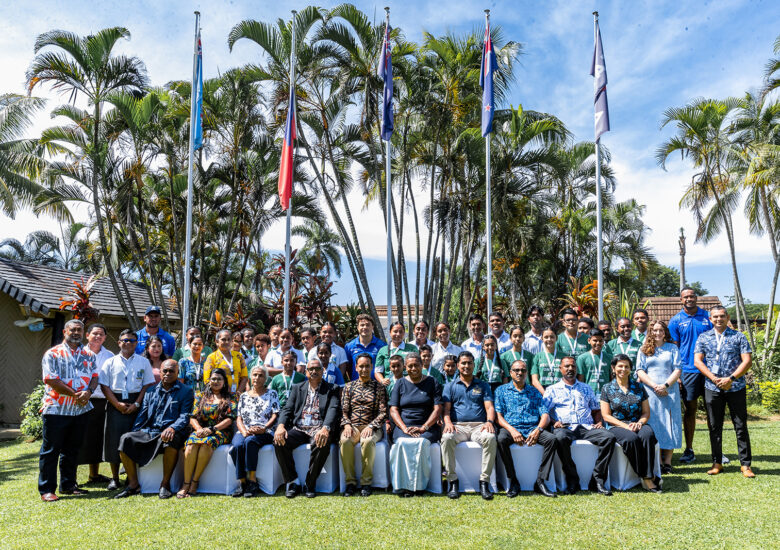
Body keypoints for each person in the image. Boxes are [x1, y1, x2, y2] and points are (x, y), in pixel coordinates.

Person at [114, 360, 194, 499]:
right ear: (160, 372)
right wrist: (135, 432)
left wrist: (172, 428)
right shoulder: (151, 391)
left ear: (178, 373)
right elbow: (142, 415)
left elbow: (184, 416)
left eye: (171, 371)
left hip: (172, 431)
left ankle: (165, 484)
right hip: (151, 431)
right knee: (125, 439)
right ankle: (133, 484)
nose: (168, 374)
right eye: (165, 371)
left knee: (170, 439)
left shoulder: (186, 391)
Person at [38, 319, 99, 502]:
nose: (76, 333)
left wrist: (88, 392)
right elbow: (51, 379)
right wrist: (75, 394)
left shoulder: (89, 355)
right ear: (65, 331)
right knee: (51, 451)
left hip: (80, 410)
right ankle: (47, 489)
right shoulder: (53, 354)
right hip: (57, 409)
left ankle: (69, 485)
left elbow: (95, 377)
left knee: (72, 450)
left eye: (79, 330)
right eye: (72, 329)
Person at [694, 306, 754, 477]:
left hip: (735, 387)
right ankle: (717, 462)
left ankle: (745, 465)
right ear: (710, 319)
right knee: (714, 426)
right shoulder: (704, 337)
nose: (719, 319)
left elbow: (747, 361)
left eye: (722, 316)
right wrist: (714, 379)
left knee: (740, 426)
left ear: (727, 317)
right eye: (715, 317)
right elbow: (698, 361)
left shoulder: (739, 336)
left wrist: (731, 379)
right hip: (712, 387)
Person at [543, 356, 617, 496]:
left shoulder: (586, 388)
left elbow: (595, 409)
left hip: (586, 427)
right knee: (560, 438)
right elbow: (544, 412)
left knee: (609, 437)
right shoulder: (552, 389)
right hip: (565, 427)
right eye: (567, 366)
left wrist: (599, 422)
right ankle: (572, 479)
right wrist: (554, 422)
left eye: (573, 366)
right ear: (560, 369)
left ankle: (597, 480)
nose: (570, 369)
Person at [274, 358, 341, 498]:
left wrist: (325, 428)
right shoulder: (298, 387)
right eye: (311, 369)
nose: (314, 371)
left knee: (322, 442)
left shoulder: (332, 388)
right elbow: (287, 409)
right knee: (279, 440)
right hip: (300, 428)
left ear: (323, 371)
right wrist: (280, 426)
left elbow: (333, 410)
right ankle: (292, 481)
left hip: (319, 428)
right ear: (306, 372)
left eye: (317, 368)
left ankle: (310, 483)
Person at [99, 329, 156, 490]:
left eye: (132, 341)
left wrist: (137, 404)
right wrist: (116, 404)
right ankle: (115, 478)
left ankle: (133, 477)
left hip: (136, 401)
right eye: (125, 340)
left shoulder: (143, 362)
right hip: (115, 401)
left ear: (136, 344)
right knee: (113, 440)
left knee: (134, 439)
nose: (128, 343)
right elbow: (104, 385)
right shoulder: (110, 362)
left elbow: (147, 385)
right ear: (119, 342)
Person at [494, 359, 557, 498]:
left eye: (523, 370)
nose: (520, 373)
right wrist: (512, 430)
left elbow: (545, 415)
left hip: (532, 428)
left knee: (552, 439)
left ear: (527, 373)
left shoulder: (534, 392)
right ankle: (513, 480)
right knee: (501, 439)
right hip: (511, 427)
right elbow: (498, 416)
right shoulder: (501, 390)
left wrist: (538, 430)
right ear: (510, 373)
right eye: (516, 370)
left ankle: (540, 481)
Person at [441, 351, 497, 500]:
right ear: (458, 365)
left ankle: (484, 481)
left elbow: (490, 407)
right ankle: (452, 481)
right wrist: (447, 423)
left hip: (479, 425)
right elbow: (445, 410)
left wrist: (489, 422)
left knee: (490, 438)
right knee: (446, 438)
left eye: (469, 363)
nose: (466, 366)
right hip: (458, 426)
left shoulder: (483, 385)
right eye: (463, 363)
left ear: (473, 365)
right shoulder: (450, 386)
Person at [600, 355, 660, 492]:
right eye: (620, 366)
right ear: (613, 368)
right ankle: (647, 477)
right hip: (616, 426)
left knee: (648, 435)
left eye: (626, 366)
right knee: (631, 439)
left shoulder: (639, 387)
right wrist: (626, 426)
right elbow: (606, 416)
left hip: (638, 423)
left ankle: (648, 475)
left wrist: (639, 423)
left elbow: (646, 413)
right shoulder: (607, 388)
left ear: (630, 369)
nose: (623, 369)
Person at [668, 286, 713, 464]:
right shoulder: (675, 321)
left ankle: (717, 451)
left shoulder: (708, 316)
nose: (689, 299)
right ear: (681, 300)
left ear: (696, 298)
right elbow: (674, 349)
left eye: (692, 296)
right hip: (688, 371)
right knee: (690, 410)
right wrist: (677, 374)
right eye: (685, 297)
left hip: (709, 371)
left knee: (713, 411)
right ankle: (689, 449)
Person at [388, 352, 442, 497]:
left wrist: (424, 427)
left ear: (421, 365)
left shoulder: (432, 382)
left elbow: (437, 409)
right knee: (401, 443)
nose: (413, 369)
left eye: (416, 365)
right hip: (404, 426)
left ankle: (419, 486)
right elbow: (393, 409)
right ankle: (403, 485)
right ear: (405, 367)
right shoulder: (399, 383)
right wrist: (404, 428)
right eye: (410, 366)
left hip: (427, 426)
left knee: (421, 443)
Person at [179, 368, 236, 497]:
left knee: (206, 444)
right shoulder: (200, 396)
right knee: (191, 444)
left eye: (219, 379)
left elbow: (230, 419)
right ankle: (186, 483)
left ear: (224, 381)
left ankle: (195, 482)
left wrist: (212, 429)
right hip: (201, 429)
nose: (216, 381)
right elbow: (192, 417)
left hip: (220, 431)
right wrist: (199, 429)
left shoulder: (230, 397)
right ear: (209, 381)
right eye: (213, 379)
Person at [636, 321, 682, 474]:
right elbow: (640, 370)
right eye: (654, 330)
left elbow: (677, 369)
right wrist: (655, 385)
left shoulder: (672, 348)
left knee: (670, 424)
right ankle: (657, 461)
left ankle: (667, 462)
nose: (657, 333)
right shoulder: (644, 349)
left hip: (670, 391)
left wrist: (665, 385)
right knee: (655, 424)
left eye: (660, 330)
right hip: (651, 392)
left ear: (665, 332)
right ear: (650, 332)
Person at [340, 354, 388, 497]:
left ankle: (366, 483)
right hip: (353, 426)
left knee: (367, 441)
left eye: (367, 366)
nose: (364, 369)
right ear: (356, 367)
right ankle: (350, 482)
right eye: (361, 366)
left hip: (372, 427)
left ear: (372, 367)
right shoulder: (349, 387)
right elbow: (343, 410)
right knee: (345, 441)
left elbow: (383, 412)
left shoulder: (379, 388)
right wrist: (347, 425)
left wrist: (371, 426)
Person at [230, 366, 279, 497]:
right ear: (251, 377)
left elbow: (275, 415)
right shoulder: (244, 396)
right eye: (255, 375)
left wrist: (264, 428)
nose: (257, 378)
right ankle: (242, 482)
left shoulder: (272, 393)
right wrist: (245, 432)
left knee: (250, 442)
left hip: (265, 431)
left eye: (261, 375)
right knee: (237, 446)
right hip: (245, 430)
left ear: (266, 378)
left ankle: (252, 481)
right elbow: (239, 418)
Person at [78, 323, 114, 486]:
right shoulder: (79, 353)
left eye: (101, 334)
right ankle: (71, 478)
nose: (98, 337)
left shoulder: (109, 355)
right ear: (87, 335)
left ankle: (94, 475)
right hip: (81, 400)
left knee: (97, 438)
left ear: (105, 338)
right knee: (79, 438)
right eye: (95, 334)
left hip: (102, 401)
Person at [203, 329, 248, 394]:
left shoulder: (239, 356)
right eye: (223, 339)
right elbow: (207, 380)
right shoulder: (212, 357)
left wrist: (238, 392)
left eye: (229, 339)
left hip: (237, 395)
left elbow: (244, 377)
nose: (226, 342)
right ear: (217, 342)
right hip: (219, 395)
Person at [375, 322, 418, 386]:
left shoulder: (412, 348)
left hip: (408, 385)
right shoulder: (383, 350)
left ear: (404, 333)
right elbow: (378, 371)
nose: (398, 334)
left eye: (401, 332)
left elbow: (418, 367)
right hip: (389, 386)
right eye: (395, 331)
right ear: (390, 332)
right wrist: (382, 380)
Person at [344, 314, 386, 381]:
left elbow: (384, 367)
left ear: (372, 327)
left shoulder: (382, 346)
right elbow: (348, 368)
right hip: (356, 386)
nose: (365, 327)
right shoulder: (349, 346)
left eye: (368, 325)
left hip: (376, 386)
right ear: (358, 327)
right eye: (362, 325)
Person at [577, 329, 613, 394]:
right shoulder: (582, 358)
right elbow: (580, 379)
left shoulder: (609, 358)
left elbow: (612, 378)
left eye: (600, 341)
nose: (598, 343)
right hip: (588, 393)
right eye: (595, 340)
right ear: (589, 341)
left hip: (606, 394)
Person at [530, 328, 561, 393]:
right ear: (542, 339)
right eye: (546, 337)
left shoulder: (564, 356)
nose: (549, 339)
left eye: (552, 337)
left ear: (556, 338)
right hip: (542, 390)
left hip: (560, 390)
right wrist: (544, 394)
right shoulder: (537, 357)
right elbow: (534, 380)